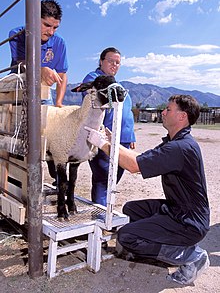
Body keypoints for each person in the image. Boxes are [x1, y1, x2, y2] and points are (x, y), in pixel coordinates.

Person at [85, 94, 210, 285]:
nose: (163, 112)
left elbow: (134, 166)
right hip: (178, 210)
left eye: (168, 109)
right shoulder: (175, 142)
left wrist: (103, 145)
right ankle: (172, 240)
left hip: (189, 222)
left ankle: (191, 255)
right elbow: (141, 158)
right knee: (131, 210)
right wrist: (114, 143)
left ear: (182, 116)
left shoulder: (180, 147)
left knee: (127, 236)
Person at [82, 47, 136, 206]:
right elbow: (94, 96)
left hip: (123, 139)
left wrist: (131, 135)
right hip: (104, 137)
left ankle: (105, 213)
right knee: (103, 179)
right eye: (111, 61)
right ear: (101, 61)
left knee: (112, 181)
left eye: (118, 62)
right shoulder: (94, 78)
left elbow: (127, 112)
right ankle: (100, 218)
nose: (114, 65)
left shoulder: (118, 85)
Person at [9, 0, 68, 107]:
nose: (51, 32)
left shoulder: (60, 42)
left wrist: (59, 102)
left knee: (47, 121)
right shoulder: (17, 35)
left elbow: (62, 75)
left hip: (43, 89)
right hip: (18, 84)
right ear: (34, 19)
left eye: (55, 27)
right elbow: (22, 65)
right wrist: (41, 71)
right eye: (47, 25)